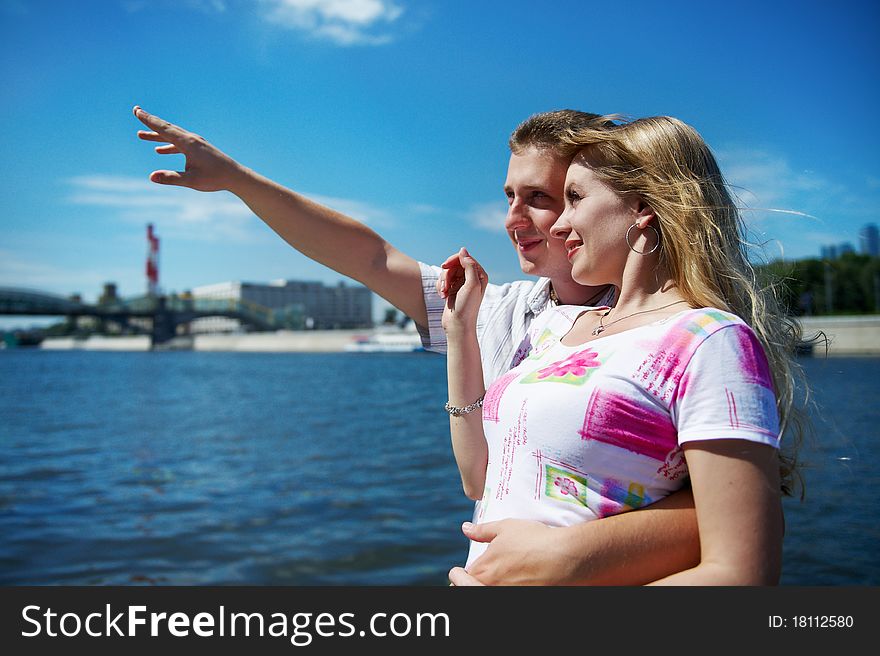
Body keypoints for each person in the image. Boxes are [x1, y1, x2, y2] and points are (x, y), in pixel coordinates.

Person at [133, 106, 700, 585]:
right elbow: (369, 257)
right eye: (508, 196)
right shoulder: (505, 313)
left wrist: (569, 557)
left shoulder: (677, 330)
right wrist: (237, 179)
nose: (512, 219)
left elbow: (730, 520)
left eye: (543, 197)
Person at [441, 114, 806, 584]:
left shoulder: (708, 340)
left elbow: (741, 574)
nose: (561, 224)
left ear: (641, 207)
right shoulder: (562, 330)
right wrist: (460, 331)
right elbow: (480, 478)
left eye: (574, 198)